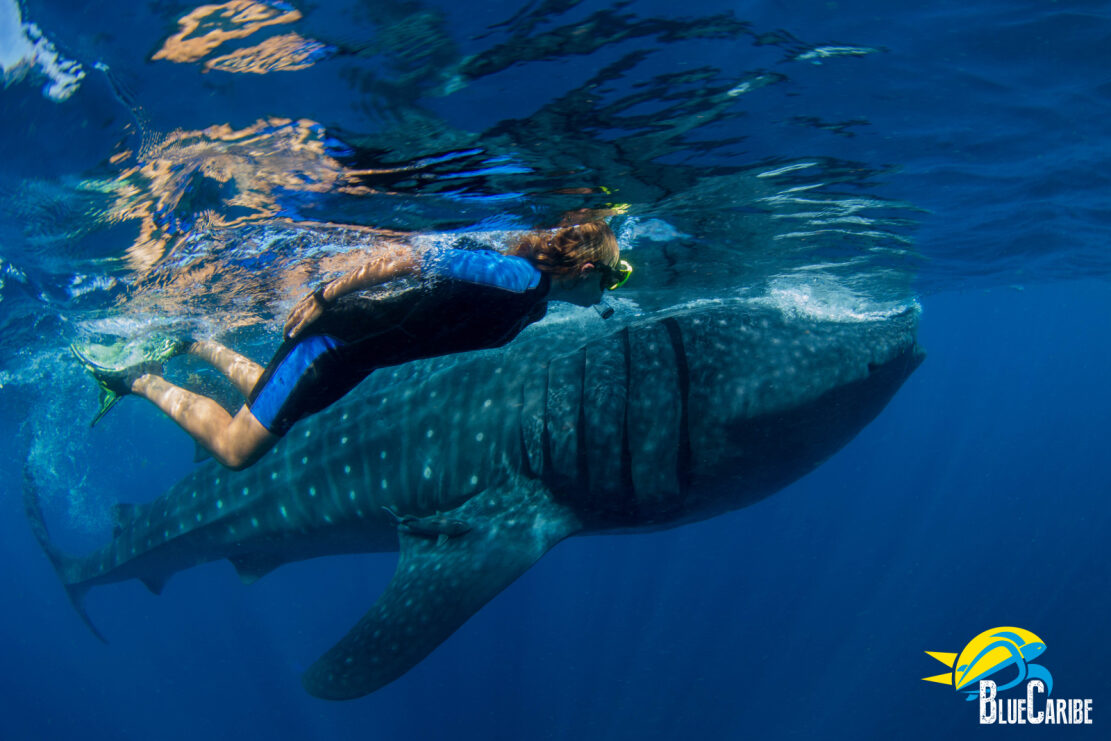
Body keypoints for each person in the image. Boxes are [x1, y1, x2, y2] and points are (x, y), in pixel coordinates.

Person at [76, 222, 632, 470]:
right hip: (334, 344)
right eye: (608, 281)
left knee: (265, 395)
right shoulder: (519, 280)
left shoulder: (535, 302)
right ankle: (131, 380)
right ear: (585, 269)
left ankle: (193, 341)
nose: (606, 293)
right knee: (236, 450)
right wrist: (323, 295)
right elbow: (419, 256)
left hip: (358, 357)